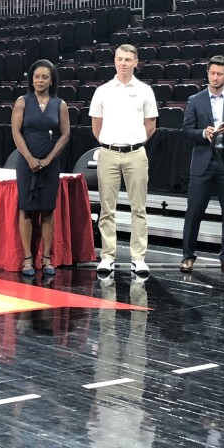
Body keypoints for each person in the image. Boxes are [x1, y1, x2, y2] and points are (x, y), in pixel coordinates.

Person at [89, 44, 158, 278]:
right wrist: (111, 143)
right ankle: (107, 256)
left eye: (128, 59)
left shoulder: (145, 91)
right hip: (108, 153)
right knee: (107, 209)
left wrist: (133, 142)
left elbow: (151, 126)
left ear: (136, 62)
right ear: (114, 61)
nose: (124, 63)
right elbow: (96, 126)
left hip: (136, 153)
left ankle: (138, 258)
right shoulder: (103, 91)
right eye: (120, 59)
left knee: (139, 208)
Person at [180, 56, 224, 274]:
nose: (215, 77)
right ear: (207, 73)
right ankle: (188, 256)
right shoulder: (195, 99)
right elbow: (186, 130)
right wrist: (203, 133)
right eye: (212, 73)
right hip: (203, 161)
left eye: (220, 74)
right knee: (194, 212)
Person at [11, 59, 70, 277]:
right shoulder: (22, 101)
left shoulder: (60, 104)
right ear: (31, 79)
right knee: (26, 208)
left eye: (44, 77)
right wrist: (29, 158)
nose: (40, 80)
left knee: (47, 210)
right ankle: (27, 258)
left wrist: (48, 160)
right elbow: (16, 132)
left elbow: (65, 134)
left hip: (50, 164)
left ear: (51, 80)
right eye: (37, 76)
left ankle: (46, 258)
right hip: (26, 163)